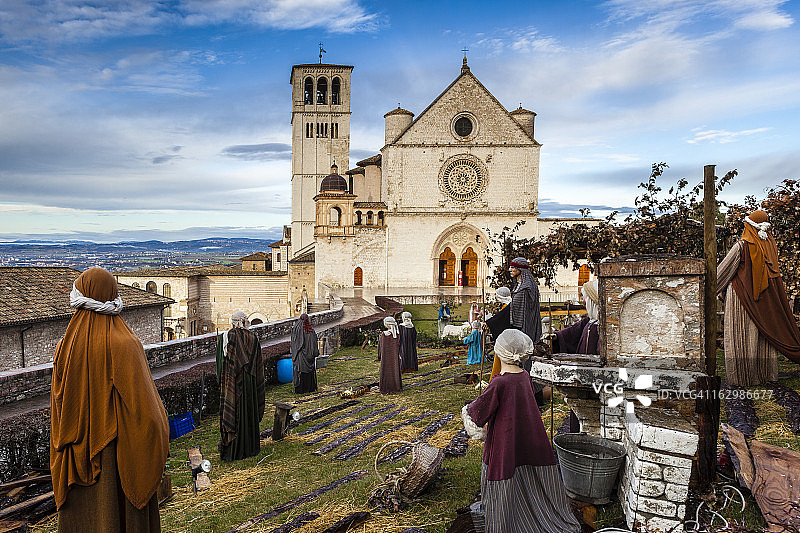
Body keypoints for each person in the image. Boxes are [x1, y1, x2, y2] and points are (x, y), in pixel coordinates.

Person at [50, 267, 169, 533]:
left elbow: (59, 406)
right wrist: (155, 443)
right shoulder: (124, 343)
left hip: (76, 459)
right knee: (116, 512)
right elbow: (146, 411)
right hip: (116, 455)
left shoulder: (64, 346)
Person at [462, 329, 580, 533]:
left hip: (505, 440)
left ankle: (507, 517)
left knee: (506, 472)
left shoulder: (499, 382)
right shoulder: (524, 375)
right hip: (527, 435)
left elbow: (477, 413)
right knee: (527, 474)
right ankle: (528, 512)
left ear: (500, 353)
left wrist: (467, 413)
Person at [717, 210, 800, 386]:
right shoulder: (771, 245)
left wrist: (712, 290)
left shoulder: (741, 246)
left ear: (749, 226)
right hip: (766, 298)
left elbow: (723, 272)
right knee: (764, 335)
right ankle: (766, 375)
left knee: (740, 335)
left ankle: (742, 378)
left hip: (741, 297)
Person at [216, 311, 265, 461]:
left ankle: (234, 449)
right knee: (248, 412)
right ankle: (250, 447)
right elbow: (258, 363)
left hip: (232, 381)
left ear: (233, 322)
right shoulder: (253, 338)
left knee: (234, 412)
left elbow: (220, 363)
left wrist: (222, 380)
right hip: (249, 382)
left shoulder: (227, 336)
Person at [551, 279, 601, 355]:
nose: (583, 302)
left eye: (584, 298)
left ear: (592, 300)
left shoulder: (603, 326)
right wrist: (557, 336)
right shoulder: (589, 321)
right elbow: (572, 332)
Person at [509, 257, 542, 371]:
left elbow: (521, 311)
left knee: (526, 356)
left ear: (520, 269)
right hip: (520, 328)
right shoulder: (520, 285)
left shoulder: (525, 288)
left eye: (513, 267)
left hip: (525, 327)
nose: (510, 269)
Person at [487, 287, 512, 380]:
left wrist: (489, 323)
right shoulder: (507, 306)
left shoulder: (507, 307)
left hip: (505, 339)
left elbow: (500, 321)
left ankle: (495, 378)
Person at [291, 313, 319, 393]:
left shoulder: (297, 328)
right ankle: (310, 388)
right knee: (308, 372)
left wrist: (295, 354)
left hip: (301, 356)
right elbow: (314, 343)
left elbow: (296, 343)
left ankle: (301, 389)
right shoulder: (311, 330)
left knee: (301, 371)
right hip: (309, 356)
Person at [379, 316, 403, 393]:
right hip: (395, 357)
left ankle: (386, 387)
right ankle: (396, 386)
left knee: (386, 370)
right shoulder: (398, 334)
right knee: (395, 370)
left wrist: (379, 356)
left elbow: (381, 347)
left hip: (386, 357)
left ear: (386, 324)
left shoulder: (384, 334)